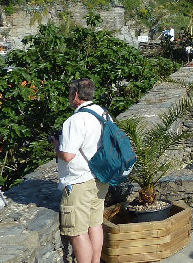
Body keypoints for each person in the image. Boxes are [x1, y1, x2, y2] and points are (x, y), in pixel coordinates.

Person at [48, 78, 110, 263]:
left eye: (69, 93)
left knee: (77, 232)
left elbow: (67, 155)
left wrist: (56, 145)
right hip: (100, 177)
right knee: (95, 225)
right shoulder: (102, 113)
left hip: (79, 181)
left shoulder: (75, 120)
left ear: (75, 95)